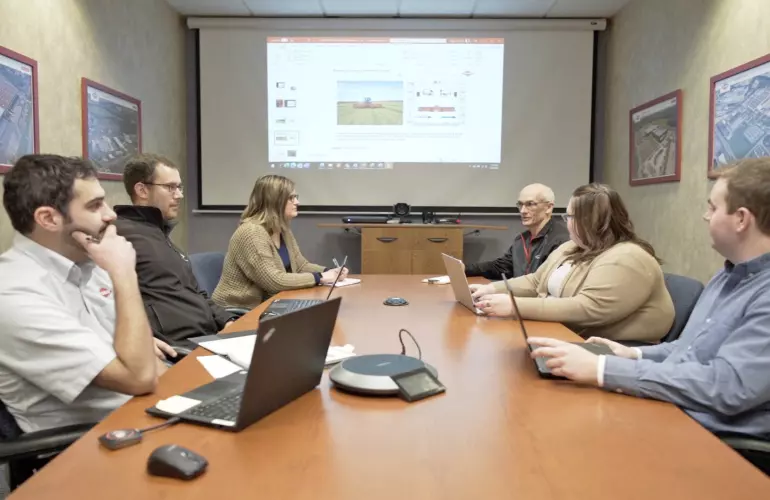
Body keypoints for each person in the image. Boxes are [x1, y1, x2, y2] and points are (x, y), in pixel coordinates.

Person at [527, 158, 770, 438]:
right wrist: (632, 353)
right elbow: (688, 350)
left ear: (741, 219)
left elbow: (727, 387)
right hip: (677, 409)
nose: (705, 216)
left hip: (721, 440)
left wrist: (604, 368)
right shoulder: (727, 275)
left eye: (713, 208)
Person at [0, 155, 174, 433]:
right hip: (90, 445)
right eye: (95, 206)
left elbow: (147, 361)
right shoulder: (13, 294)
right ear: (48, 218)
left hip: (146, 415)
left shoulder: (86, 261)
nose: (111, 214)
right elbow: (138, 377)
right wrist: (124, 273)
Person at [471, 183, 674, 342]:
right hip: (565, 335)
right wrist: (490, 290)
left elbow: (587, 308)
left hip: (614, 349)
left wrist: (515, 306)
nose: (565, 221)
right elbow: (535, 282)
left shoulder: (628, 258)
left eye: (569, 216)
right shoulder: (571, 247)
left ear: (592, 221)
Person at [114, 154, 237, 346]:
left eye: (179, 187)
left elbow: (196, 292)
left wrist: (227, 320)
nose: (179, 195)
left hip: (208, 337)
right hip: (180, 347)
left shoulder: (157, 232)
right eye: (170, 187)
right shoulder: (119, 235)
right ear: (142, 190)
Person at [213, 174, 346, 309]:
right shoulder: (251, 232)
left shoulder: (282, 229)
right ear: (274, 201)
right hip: (240, 310)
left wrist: (330, 271)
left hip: (271, 303)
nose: (297, 202)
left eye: (296, 197)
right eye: (291, 198)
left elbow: (300, 266)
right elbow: (273, 281)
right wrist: (320, 277)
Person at [465, 183, 570, 280]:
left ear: (548, 207)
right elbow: (502, 267)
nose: (523, 211)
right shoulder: (522, 239)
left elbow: (543, 283)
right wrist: (464, 268)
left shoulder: (561, 240)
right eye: (520, 204)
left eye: (530, 204)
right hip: (518, 297)